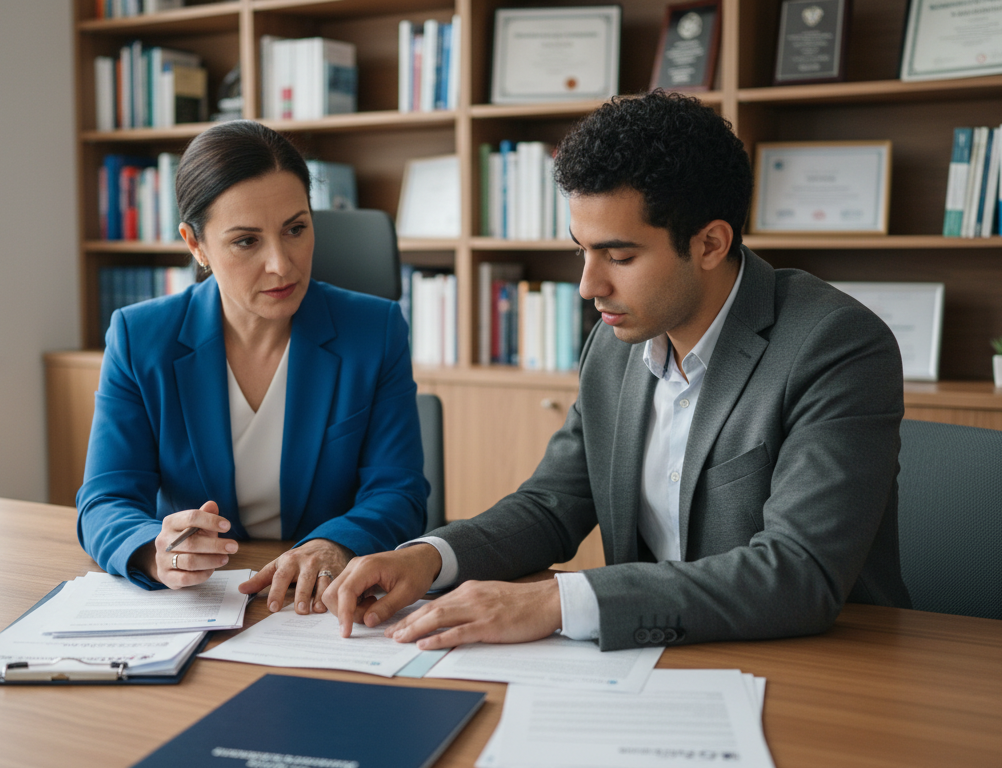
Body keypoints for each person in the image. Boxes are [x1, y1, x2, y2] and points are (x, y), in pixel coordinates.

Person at [327, 91, 912, 651]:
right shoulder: (616, 343)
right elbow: (552, 505)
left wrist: (557, 602)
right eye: (581, 250)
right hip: (647, 654)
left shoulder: (835, 346)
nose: (589, 286)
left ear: (710, 243)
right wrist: (428, 556)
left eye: (620, 256)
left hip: (818, 663)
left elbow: (796, 575)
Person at [77, 121, 428, 616]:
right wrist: (153, 552)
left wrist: (336, 543)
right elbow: (105, 498)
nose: (282, 265)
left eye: (296, 229)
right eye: (246, 241)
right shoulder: (140, 338)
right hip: (200, 604)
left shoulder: (375, 329)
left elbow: (399, 491)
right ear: (196, 245)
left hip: (321, 602)